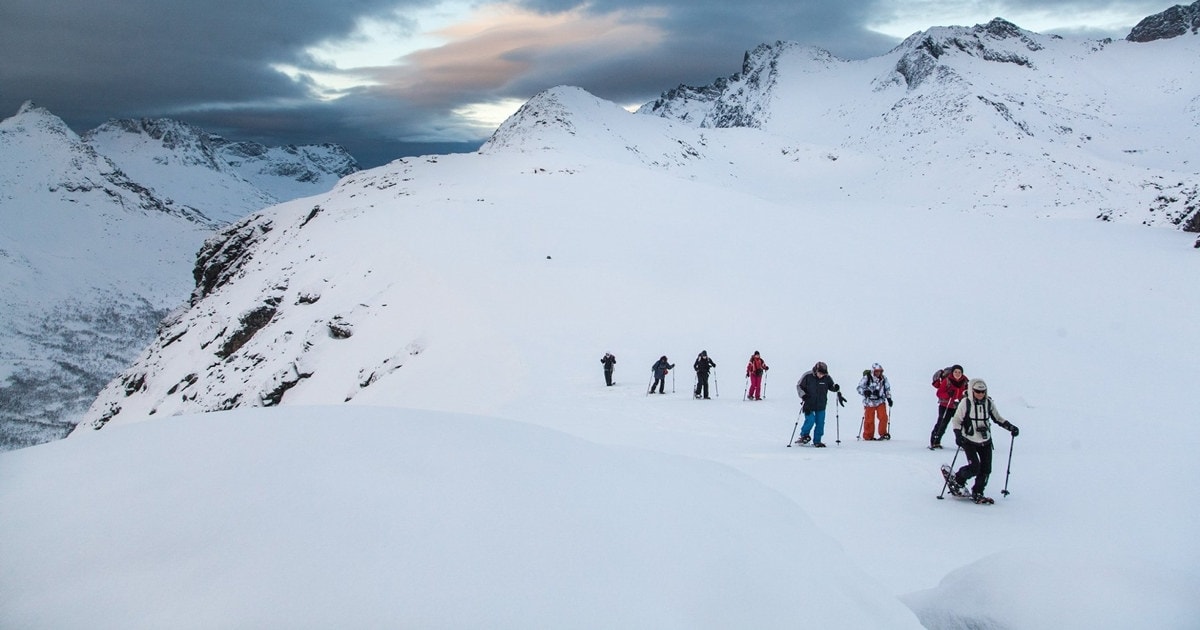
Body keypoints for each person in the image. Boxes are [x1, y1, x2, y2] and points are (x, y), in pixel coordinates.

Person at [943, 378, 1019, 504]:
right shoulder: (965, 403)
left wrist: (1010, 427)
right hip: (969, 440)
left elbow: (997, 418)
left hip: (986, 440)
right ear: (972, 391)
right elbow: (956, 420)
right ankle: (958, 479)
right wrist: (958, 435)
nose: (980, 394)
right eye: (977, 391)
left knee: (986, 469)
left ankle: (978, 492)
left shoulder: (988, 403)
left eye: (983, 391)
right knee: (974, 468)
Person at [794, 361, 845, 447]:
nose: (821, 375)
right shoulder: (807, 376)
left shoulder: (827, 378)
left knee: (820, 423)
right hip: (808, 404)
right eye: (820, 373)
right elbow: (799, 386)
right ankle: (804, 435)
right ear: (816, 370)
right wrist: (803, 395)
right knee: (810, 420)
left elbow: (832, 386)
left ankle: (817, 440)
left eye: (823, 374)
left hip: (821, 404)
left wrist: (836, 389)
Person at [929, 365, 969, 449]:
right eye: (955, 372)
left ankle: (963, 443)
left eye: (959, 372)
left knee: (962, 424)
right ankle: (935, 442)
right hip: (945, 405)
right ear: (952, 372)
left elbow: (969, 392)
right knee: (942, 424)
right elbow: (939, 393)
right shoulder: (947, 380)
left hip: (958, 406)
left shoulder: (965, 381)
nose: (957, 374)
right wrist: (948, 394)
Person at [857, 362, 893, 440]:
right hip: (869, 402)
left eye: (880, 371)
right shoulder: (867, 378)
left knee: (883, 417)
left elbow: (887, 389)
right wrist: (865, 392)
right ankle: (868, 436)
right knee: (869, 419)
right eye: (876, 371)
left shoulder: (884, 378)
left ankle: (883, 434)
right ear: (873, 371)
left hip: (880, 401)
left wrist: (889, 398)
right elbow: (859, 388)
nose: (878, 373)